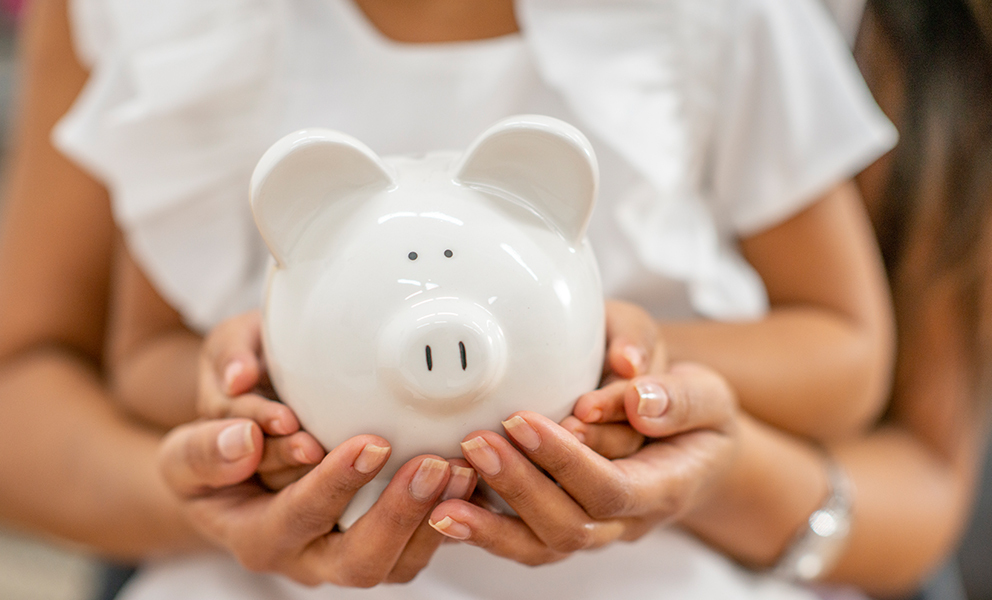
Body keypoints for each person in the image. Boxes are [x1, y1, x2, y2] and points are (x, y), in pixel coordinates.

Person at [0, 0, 945, 599]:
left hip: (650, 566)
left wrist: (620, 373)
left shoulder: (722, 19)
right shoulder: (181, 29)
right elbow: (144, 364)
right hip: (279, 576)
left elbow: (848, 358)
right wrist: (257, 404)